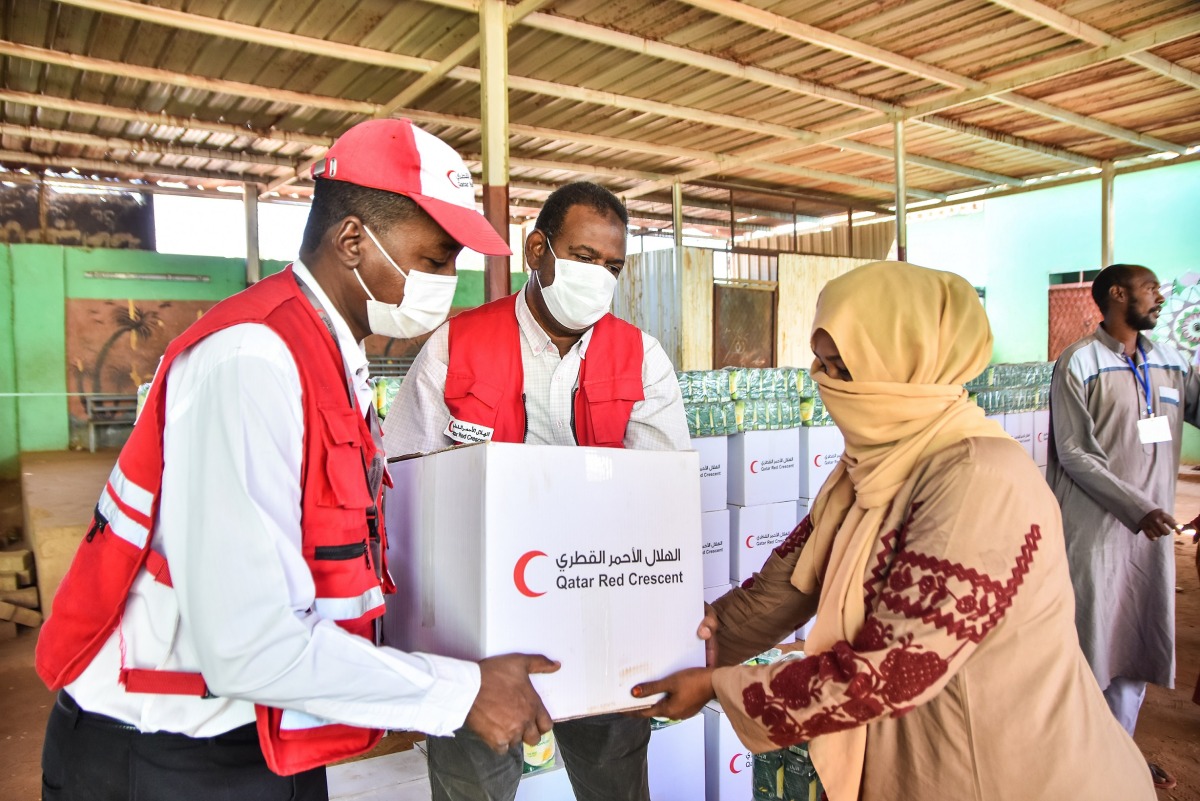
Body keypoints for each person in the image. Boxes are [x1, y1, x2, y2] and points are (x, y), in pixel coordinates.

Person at [35, 119, 559, 801]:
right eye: (434, 260)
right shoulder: (252, 362)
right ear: (352, 240)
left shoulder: (332, 360)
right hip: (164, 757)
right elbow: (250, 642)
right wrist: (463, 691)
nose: (447, 282)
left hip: (269, 738)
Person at [629, 261, 1155, 801]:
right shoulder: (868, 469)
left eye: (843, 367)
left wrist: (716, 685)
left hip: (1008, 771)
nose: (822, 380)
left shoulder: (978, 478)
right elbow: (784, 589)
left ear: (908, 365)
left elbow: (896, 669)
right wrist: (678, 645)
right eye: (820, 361)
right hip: (919, 761)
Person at [382, 180, 689, 801]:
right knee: (476, 784)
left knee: (615, 783)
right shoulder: (454, 347)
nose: (598, 277)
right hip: (482, 635)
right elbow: (405, 483)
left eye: (612, 266)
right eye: (582, 257)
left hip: (601, 612)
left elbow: (661, 501)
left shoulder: (642, 359)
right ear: (537, 249)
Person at [1047, 263, 1200, 790]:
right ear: (1117, 295)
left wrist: (1149, 514)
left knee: (1137, 639)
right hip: (1097, 533)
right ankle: (1079, 764)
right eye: (1150, 288)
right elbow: (1074, 453)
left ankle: (1120, 754)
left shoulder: (1172, 361)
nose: (1159, 297)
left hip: (1153, 535)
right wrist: (1137, 507)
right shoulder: (1079, 363)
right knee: (1092, 644)